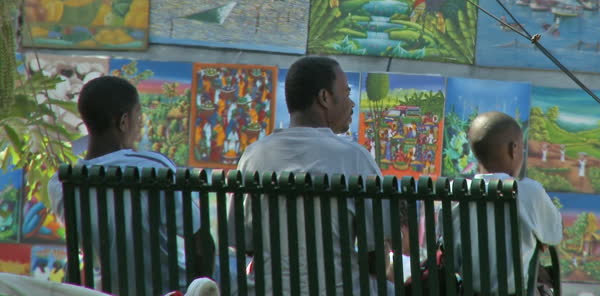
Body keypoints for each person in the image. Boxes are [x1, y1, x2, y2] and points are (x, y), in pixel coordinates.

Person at [229, 56, 391, 295]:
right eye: (346, 93)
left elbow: (246, 244)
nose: (351, 103)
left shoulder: (254, 157)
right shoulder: (356, 159)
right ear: (324, 98)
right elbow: (375, 259)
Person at [48, 76, 214, 295]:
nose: (139, 126)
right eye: (139, 117)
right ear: (124, 121)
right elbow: (202, 243)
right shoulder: (153, 169)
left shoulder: (61, 183)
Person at [439, 112, 562, 294]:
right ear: (514, 149)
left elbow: (451, 257)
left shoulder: (454, 195)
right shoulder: (529, 192)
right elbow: (554, 235)